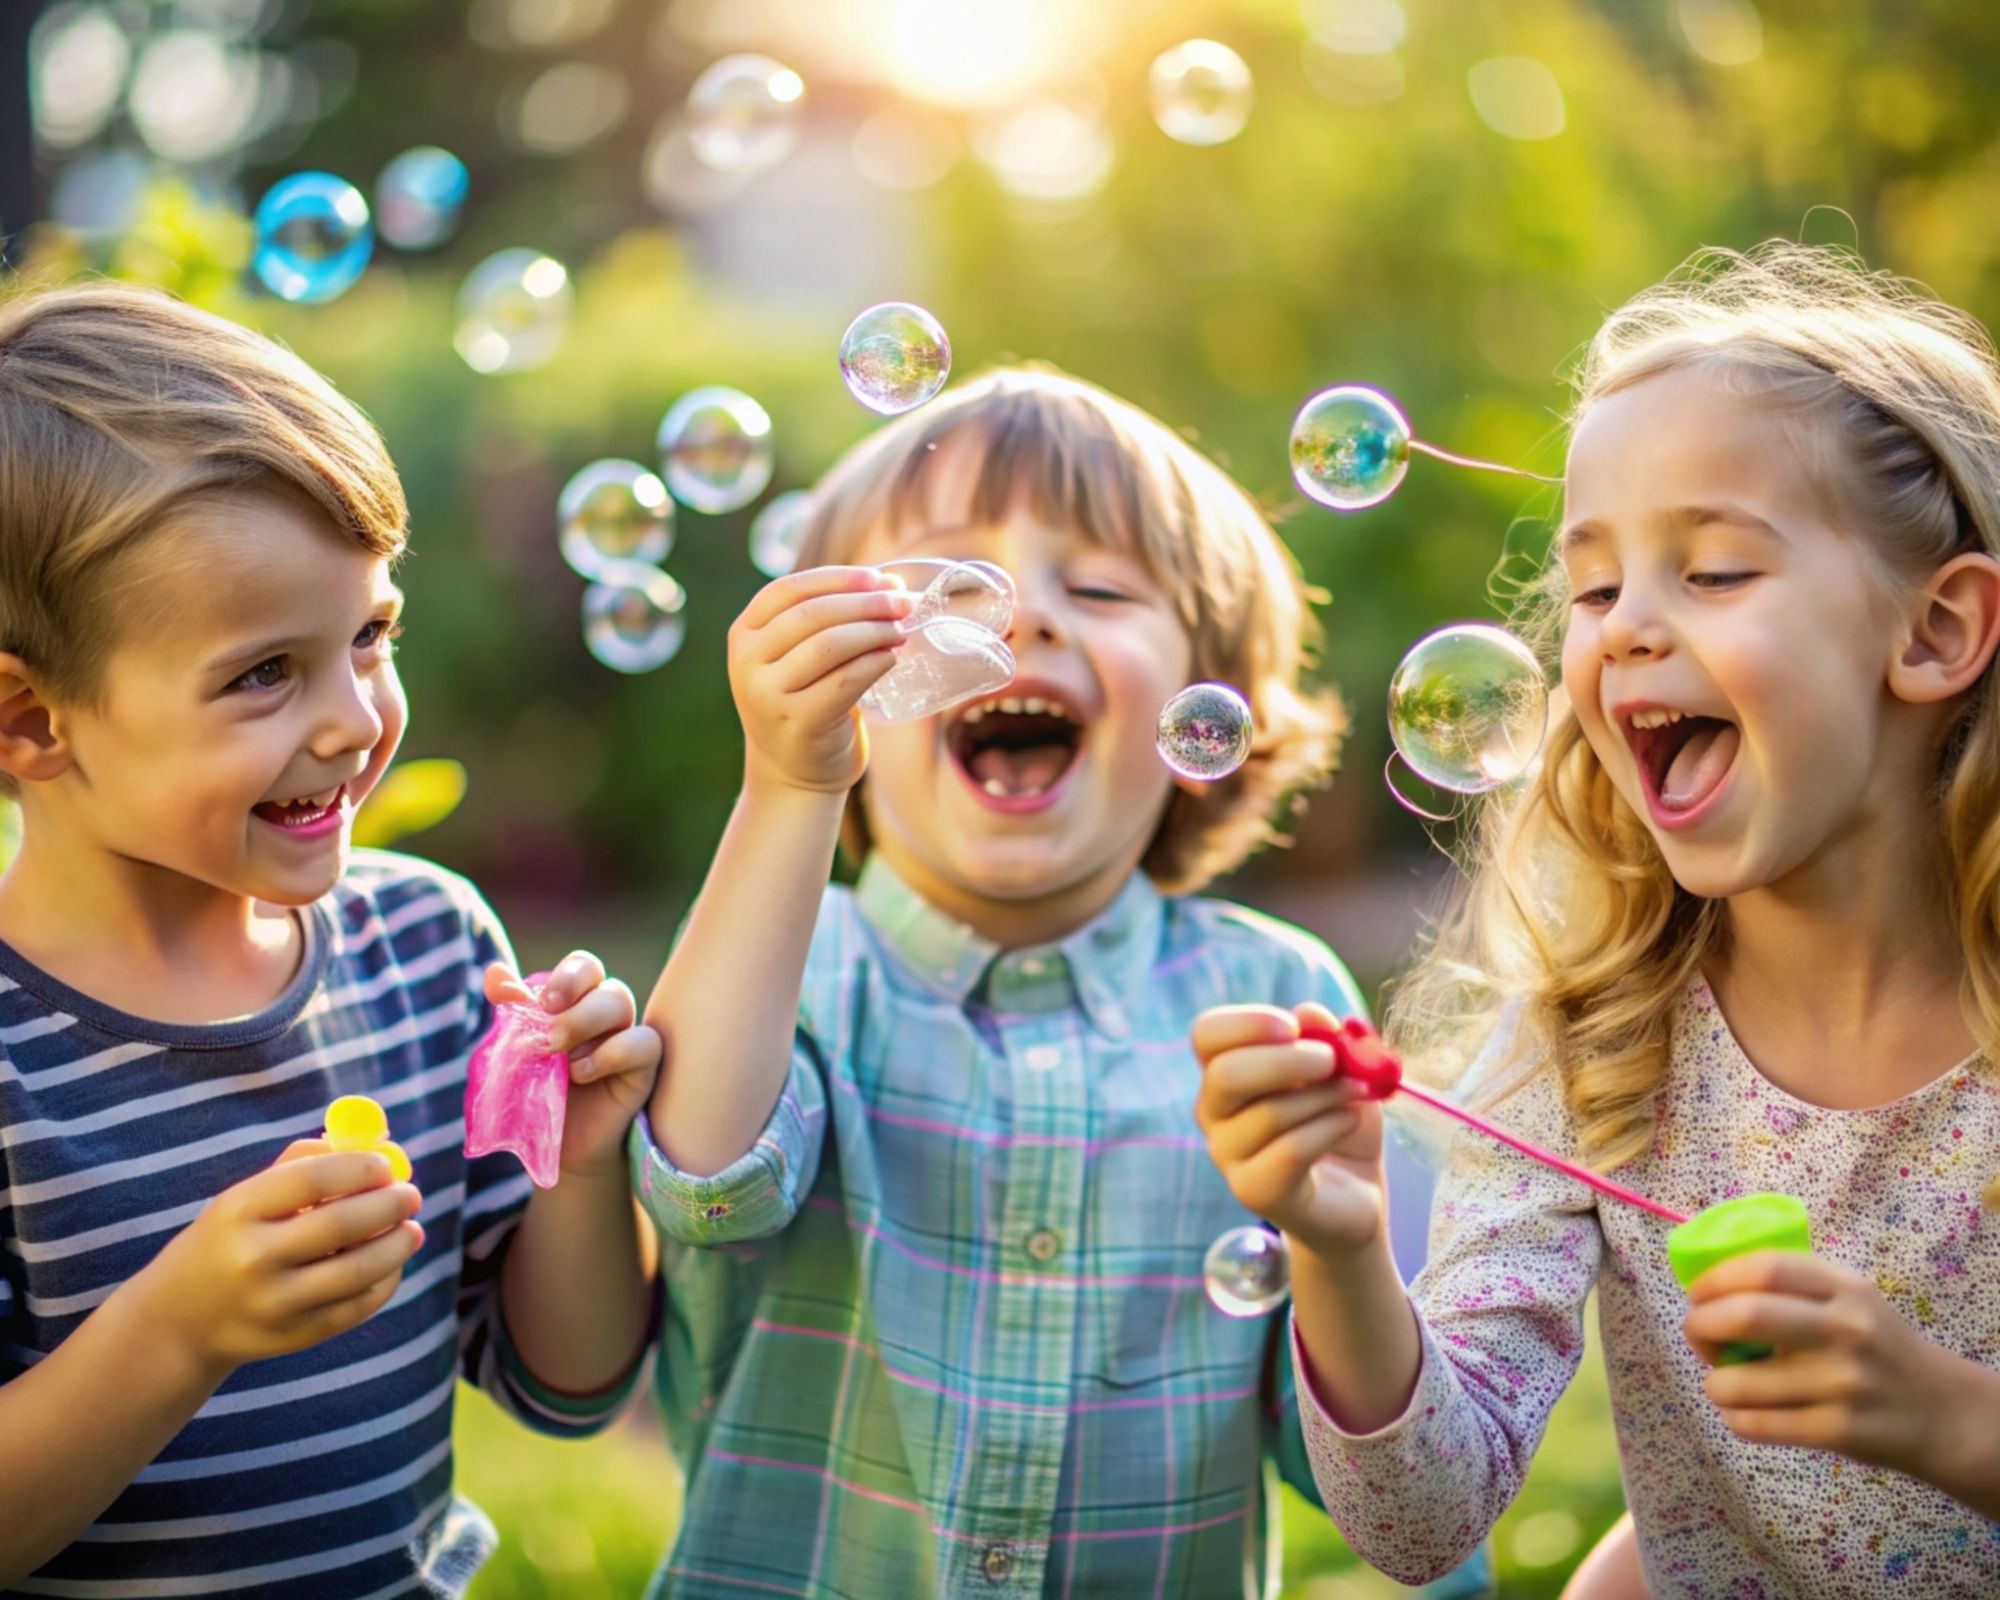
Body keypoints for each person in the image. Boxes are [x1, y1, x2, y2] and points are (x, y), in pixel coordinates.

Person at [1195, 241, 2000, 1593]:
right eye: (1592, 586)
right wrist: (1339, 1245)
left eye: (1716, 570)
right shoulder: (1595, 1042)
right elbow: (1421, 1522)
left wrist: (1956, 1425)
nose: (1624, 627)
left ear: (1933, 631)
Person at [630, 368, 1491, 1595]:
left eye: (1097, 589)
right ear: (843, 680)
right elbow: (701, 1186)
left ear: (1209, 700)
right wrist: (789, 781)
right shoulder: (783, 962)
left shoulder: (1270, 991)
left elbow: (1395, 1508)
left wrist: (1339, 1250)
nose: (1025, 614)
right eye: (949, 585)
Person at [0, 282, 661, 1594]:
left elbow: (571, 1385)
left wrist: (582, 1167)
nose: (357, 719)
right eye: (263, 673)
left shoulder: (429, 952)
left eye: (370, 635)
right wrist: (182, 1329)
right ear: (29, 723)